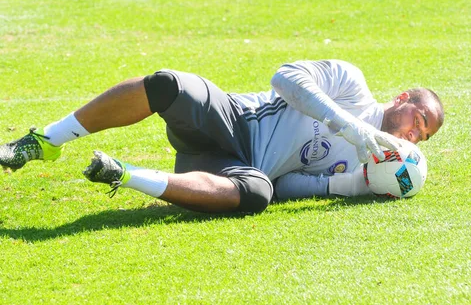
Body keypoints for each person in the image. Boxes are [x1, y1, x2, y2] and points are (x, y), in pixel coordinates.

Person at [0, 60, 444, 214]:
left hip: (232, 170)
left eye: (420, 137)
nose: (411, 136)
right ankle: (46, 140)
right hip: (233, 118)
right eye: (418, 120)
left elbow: (288, 183)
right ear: (402, 98)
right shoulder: (350, 82)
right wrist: (352, 126)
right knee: (169, 84)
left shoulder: (368, 163)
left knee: (259, 193)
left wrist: (351, 185)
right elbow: (284, 80)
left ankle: (124, 174)